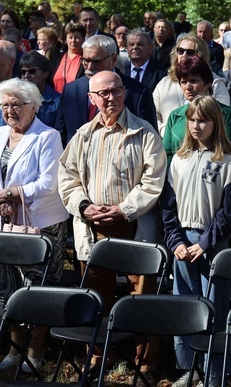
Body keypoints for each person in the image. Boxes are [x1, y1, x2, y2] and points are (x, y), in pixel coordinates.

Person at [58, 70, 167, 376]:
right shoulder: (82, 135)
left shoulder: (145, 133)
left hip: (132, 223)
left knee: (141, 295)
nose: (110, 98)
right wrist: (84, 207)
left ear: (124, 92)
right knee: (95, 293)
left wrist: (122, 210)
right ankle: (96, 355)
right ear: (91, 99)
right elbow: (67, 178)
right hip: (93, 226)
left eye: (116, 91)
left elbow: (153, 181)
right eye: (102, 94)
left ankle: (145, 361)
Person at [0, 78, 68, 372]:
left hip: (41, 225)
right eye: (5, 105)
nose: (10, 110)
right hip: (4, 222)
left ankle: (35, 351)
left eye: (17, 104)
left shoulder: (48, 136)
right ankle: (14, 351)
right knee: (8, 287)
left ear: (33, 106)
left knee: (37, 288)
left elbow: (48, 183)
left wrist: (12, 194)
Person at [161, 96, 231, 386]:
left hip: (212, 244)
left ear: (215, 122)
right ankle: (189, 367)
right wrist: (176, 241)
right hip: (182, 243)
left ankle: (214, 372)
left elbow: (229, 213)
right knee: (185, 307)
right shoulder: (179, 161)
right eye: (192, 120)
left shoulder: (228, 162)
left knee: (212, 309)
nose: (196, 125)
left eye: (203, 120)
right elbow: (169, 207)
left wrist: (205, 243)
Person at [163, 57, 231, 164]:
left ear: (207, 83)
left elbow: (227, 152)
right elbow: (167, 154)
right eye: (183, 82)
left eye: (193, 81)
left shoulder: (225, 113)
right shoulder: (175, 116)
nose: (188, 87)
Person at [152, 34, 229, 134]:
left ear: (201, 55)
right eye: (180, 51)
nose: (184, 55)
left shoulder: (216, 84)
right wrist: (167, 132)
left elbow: (221, 118)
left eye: (189, 52)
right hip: (168, 142)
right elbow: (153, 114)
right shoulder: (164, 83)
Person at [19, 51, 60, 127]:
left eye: (32, 71)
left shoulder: (58, 101)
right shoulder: (17, 99)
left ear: (45, 74)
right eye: (23, 72)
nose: (26, 75)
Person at [52, 22, 86, 94]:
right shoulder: (57, 57)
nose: (73, 41)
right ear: (66, 40)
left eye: (77, 37)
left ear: (83, 39)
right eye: (70, 37)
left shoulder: (86, 60)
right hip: (57, 102)